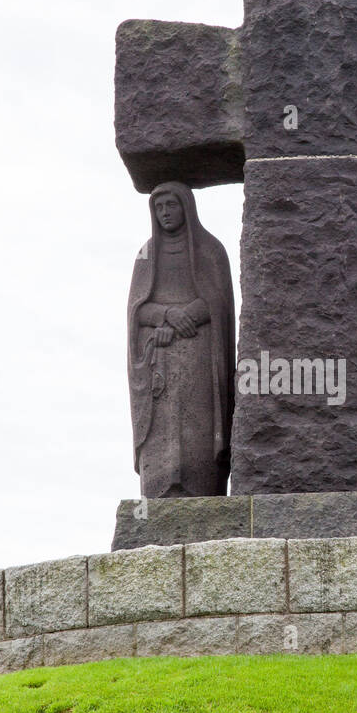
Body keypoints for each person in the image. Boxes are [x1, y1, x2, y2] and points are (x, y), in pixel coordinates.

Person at [127, 181, 235, 497]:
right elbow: (137, 311)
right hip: (159, 356)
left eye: (170, 205)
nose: (165, 213)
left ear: (186, 206)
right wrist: (166, 316)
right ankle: (159, 489)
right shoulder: (147, 254)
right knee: (162, 424)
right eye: (158, 208)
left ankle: (203, 486)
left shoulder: (211, 250)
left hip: (199, 354)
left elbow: (221, 304)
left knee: (196, 420)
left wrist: (191, 312)